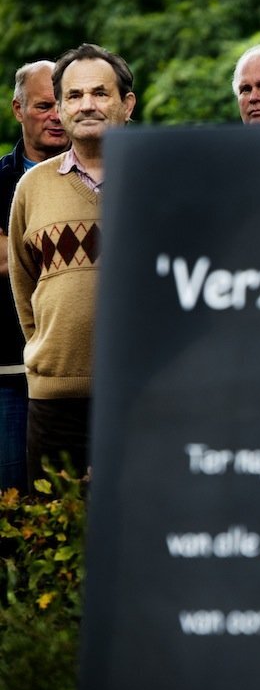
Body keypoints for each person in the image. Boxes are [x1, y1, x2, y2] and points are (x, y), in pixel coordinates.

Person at [8, 43, 136, 487]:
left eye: (100, 93)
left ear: (126, 103)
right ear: (60, 108)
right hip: (55, 401)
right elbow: (25, 286)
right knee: (52, 541)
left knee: (139, 535)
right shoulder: (32, 187)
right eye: (74, 96)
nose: (87, 105)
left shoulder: (159, 177)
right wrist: (50, 351)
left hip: (140, 397)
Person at [0, 60, 68, 493]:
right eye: (44, 106)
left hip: (74, 374)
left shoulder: (97, 176)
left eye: (61, 103)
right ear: (18, 109)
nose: (57, 116)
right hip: (8, 370)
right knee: (11, 495)